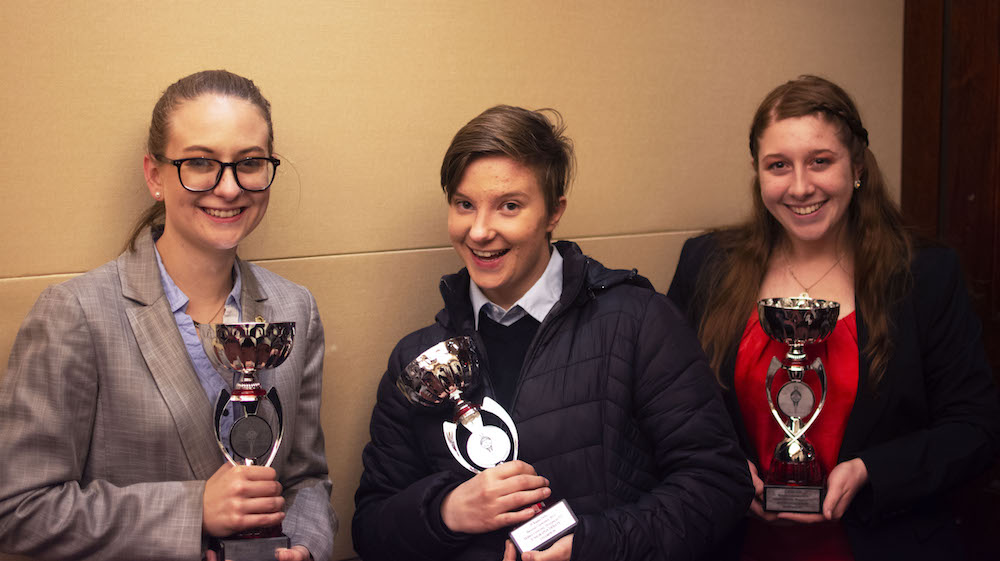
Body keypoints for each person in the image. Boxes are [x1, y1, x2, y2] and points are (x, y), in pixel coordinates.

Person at [352, 105, 752, 561]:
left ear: (553, 213)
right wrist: (445, 511)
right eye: (465, 204)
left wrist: (588, 547)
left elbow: (719, 484)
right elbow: (371, 529)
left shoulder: (639, 321)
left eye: (509, 206)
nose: (480, 231)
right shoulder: (420, 359)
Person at [0, 70, 336, 561]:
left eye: (249, 163)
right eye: (200, 162)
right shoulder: (75, 314)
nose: (228, 188)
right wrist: (192, 507)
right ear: (155, 175)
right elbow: (17, 508)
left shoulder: (295, 309)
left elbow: (305, 477)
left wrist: (305, 545)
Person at [667, 75, 1000, 560]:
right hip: (734, 540)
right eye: (778, 165)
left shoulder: (925, 276)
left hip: (885, 541)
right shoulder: (706, 265)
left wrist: (871, 471)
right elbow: (666, 411)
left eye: (820, 162)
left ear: (857, 166)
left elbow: (977, 428)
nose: (800, 187)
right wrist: (721, 468)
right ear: (758, 173)